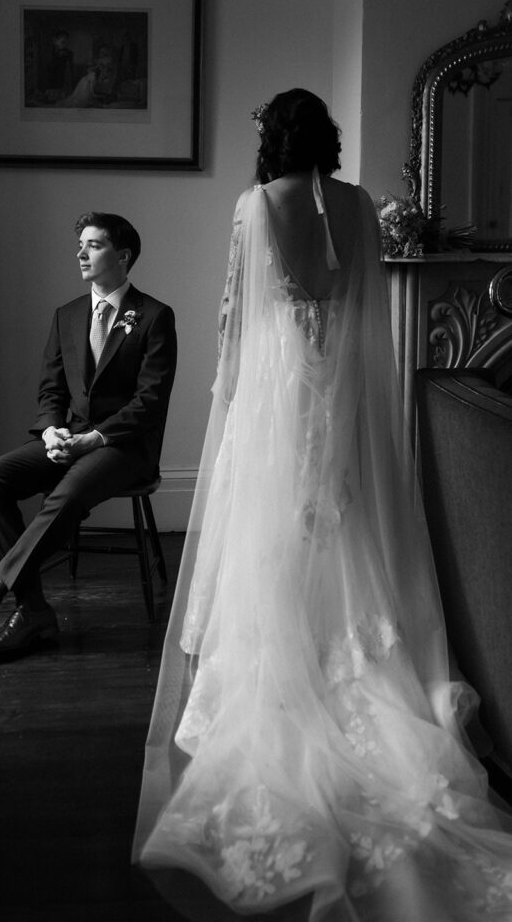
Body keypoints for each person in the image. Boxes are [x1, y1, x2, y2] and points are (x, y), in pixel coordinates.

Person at [132, 90, 512, 920]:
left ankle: (281, 664)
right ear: (327, 138)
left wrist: (226, 402)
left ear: (273, 138)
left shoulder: (256, 205)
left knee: (269, 534)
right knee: (342, 525)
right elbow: (369, 318)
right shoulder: (357, 203)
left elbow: (237, 321)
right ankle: (354, 664)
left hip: (275, 401)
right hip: (338, 404)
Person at [0, 212, 176, 662]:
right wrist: (51, 431)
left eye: (94, 245)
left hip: (125, 448)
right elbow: (51, 389)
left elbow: (150, 401)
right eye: (80, 244)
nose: (81, 253)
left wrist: (96, 439)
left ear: (122, 257)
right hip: (70, 438)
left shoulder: (155, 317)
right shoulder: (67, 315)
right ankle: (32, 609)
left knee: (66, 496)